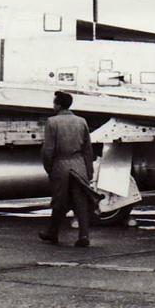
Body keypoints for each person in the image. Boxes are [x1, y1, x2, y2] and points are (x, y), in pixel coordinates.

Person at [39, 91, 96, 248]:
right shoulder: (81, 121)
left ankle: (53, 233)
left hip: (61, 164)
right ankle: (84, 235)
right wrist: (88, 171)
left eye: (54, 103)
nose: (53, 106)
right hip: (79, 164)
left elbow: (48, 150)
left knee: (59, 200)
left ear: (58, 105)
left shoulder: (52, 122)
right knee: (80, 201)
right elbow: (87, 149)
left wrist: (49, 168)